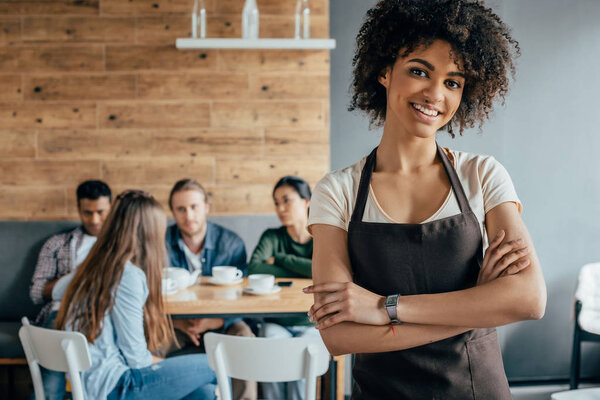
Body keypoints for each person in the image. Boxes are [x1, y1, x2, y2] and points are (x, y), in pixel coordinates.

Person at [303, 1, 547, 399]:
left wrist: (385, 308)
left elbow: (529, 298)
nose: (435, 94)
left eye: (453, 82)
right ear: (384, 71)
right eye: (419, 71)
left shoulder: (483, 175)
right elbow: (340, 336)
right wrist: (477, 306)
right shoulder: (338, 191)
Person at [55, 190, 217, 400]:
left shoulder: (93, 267)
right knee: (216, 364)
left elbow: (58, 290)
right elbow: (137, 360)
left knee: (203, 393)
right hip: (118, 386)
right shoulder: (127, 275)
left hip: (91, 384)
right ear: (149, 233)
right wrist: (163, 365)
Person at [165, 178, 256, 400]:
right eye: (181, 209)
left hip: (224, 321)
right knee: (148, 344)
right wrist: (179, 323)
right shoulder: (160, 242)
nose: (188, 215)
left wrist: (215, 321)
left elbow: (243, 297)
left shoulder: (231, 243)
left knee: (244, 338)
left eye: (194, 207)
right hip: (173, 323)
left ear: (206, 207)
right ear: (173, 212)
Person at [28, 180, 111, 400]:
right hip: (62, 313)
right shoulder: (57, 244)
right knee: (51, 384)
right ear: (79, 210)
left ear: (111, 209)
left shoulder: (120, 246)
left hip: (108, 315)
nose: (94, 220)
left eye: (101, 212)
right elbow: (36, 293)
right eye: (87, 212)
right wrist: (75, 278)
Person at [248, 176, 317, 400]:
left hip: (313, 323)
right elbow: (254, 268)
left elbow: (320, 271)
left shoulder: (323, 236)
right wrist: (304, 269)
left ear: (307, 201)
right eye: (276, 202)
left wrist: (279, 259)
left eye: (286, 200)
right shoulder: (272, 236)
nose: (280, 208)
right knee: (270, 348)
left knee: (301, 358)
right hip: (275, 322)